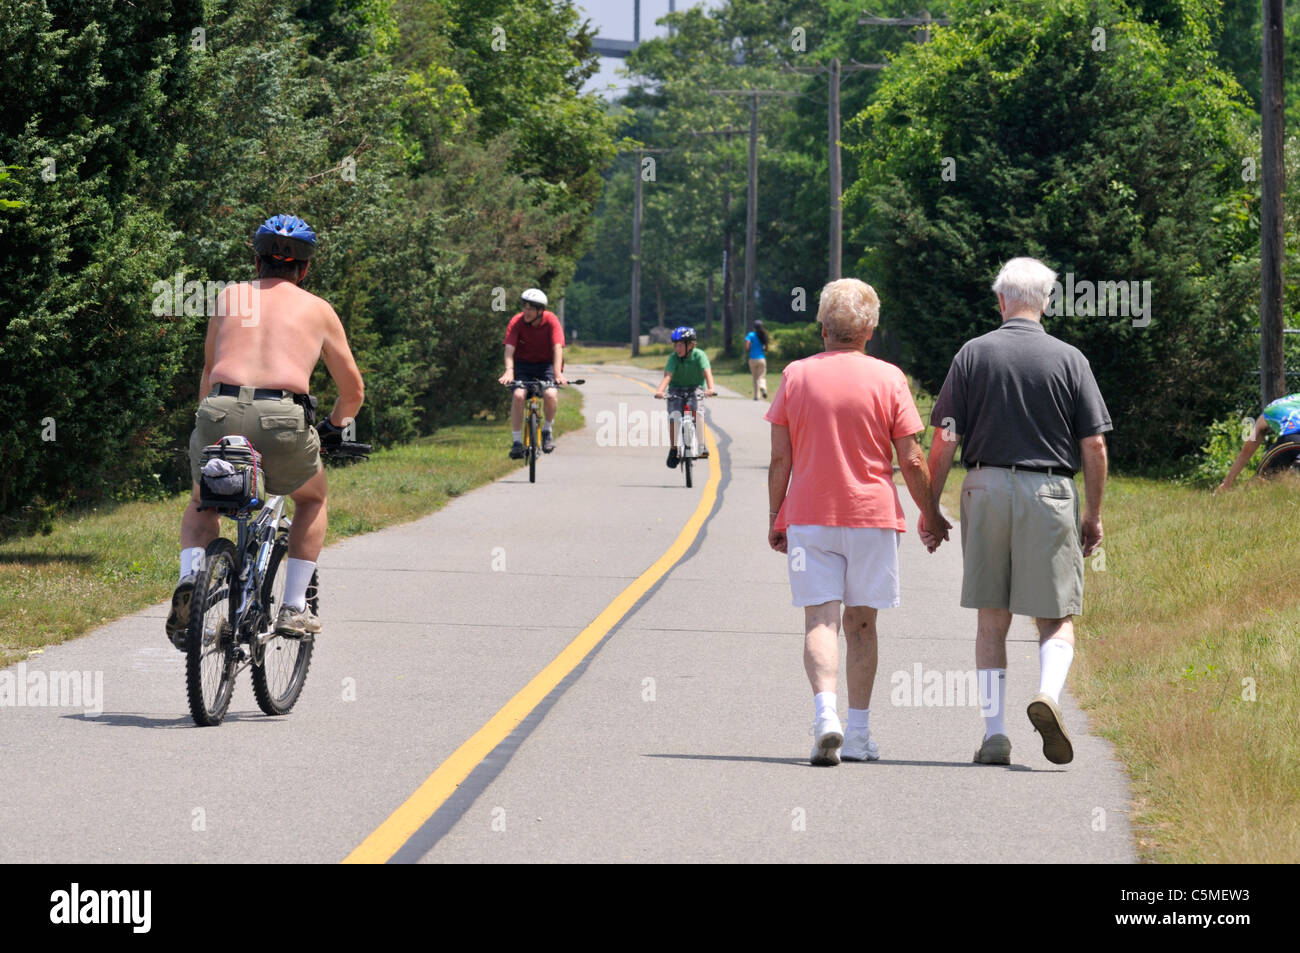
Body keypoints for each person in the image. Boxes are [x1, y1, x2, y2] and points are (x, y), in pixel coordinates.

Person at [925, 257, 1110, 767]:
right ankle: (1048, 694)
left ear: (1000, 300)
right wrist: (1092, 514)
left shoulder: (972, 354)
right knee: (1054, 617)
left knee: (992, 619)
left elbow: (943, 441)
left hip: (983, 487)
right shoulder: (1071, 359)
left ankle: (995, 734)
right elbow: (1093, 445)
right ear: (1047, 302)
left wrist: (930, 508)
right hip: (1049, 490)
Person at [766, 278, 950, 766]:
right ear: (870, 329)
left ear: (822, 326)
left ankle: (826, 716)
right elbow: (911, 460)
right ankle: (861, 733)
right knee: (862, 625)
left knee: (820, 619)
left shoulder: (795, 376)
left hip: (809, 517)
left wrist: (775, 515)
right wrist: (931, 515)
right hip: (871, 518)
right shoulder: (890, 379)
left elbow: (780, 459)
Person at [167, 214, 365, 647]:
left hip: (217, 410)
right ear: (305, 269)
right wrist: (332, 429)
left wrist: (208, 420)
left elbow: (207, 372)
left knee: (204, 502)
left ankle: (189, 582)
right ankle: (294, 606)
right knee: (312, 498)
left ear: (257, 263)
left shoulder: (228, 298)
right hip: (280, 416)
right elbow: (353, 390)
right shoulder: (318, 310)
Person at [498, 288, 567, 458]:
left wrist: (557, 373)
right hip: (523, 366)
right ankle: (516, 442)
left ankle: (547, 430)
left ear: (540, 310)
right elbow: (509, 348)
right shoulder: (517, 321)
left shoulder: (551, 321)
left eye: (530, 308)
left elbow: (557, 347)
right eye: (524, 307)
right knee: (519, 395)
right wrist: (509, 371)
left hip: (546, 366)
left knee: (550, 394)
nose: (526, 311)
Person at [653, 326, 716, 467]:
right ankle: (674, 449)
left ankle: (701, 445)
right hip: (676, 389)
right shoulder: (673, 358)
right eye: (675, 345)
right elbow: (668, 376)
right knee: (674, 417)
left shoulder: (699, 355)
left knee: (697, 414)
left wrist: (711, 389)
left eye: (680, 345)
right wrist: (660, 391)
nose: (677, 348)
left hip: (695, 389)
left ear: (691, 345)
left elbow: (707, 373)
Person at [1216, 393, 1300, 491]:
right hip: (1293, 440)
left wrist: (1227, 483)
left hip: (1289, 440)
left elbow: (1245, 453)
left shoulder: (1267, 413)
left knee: (1258, 484)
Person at [745, 320, 769, 400]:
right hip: (761, 358)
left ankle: (756, 396)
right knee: (761, 376)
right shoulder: (763, 335)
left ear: (754, 327)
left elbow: (747, 344)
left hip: (752, 359)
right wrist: (764, 349)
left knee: (755, 378)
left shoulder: (751, 334)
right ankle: (763, 387)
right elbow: (766, 347)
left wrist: (748, 349)